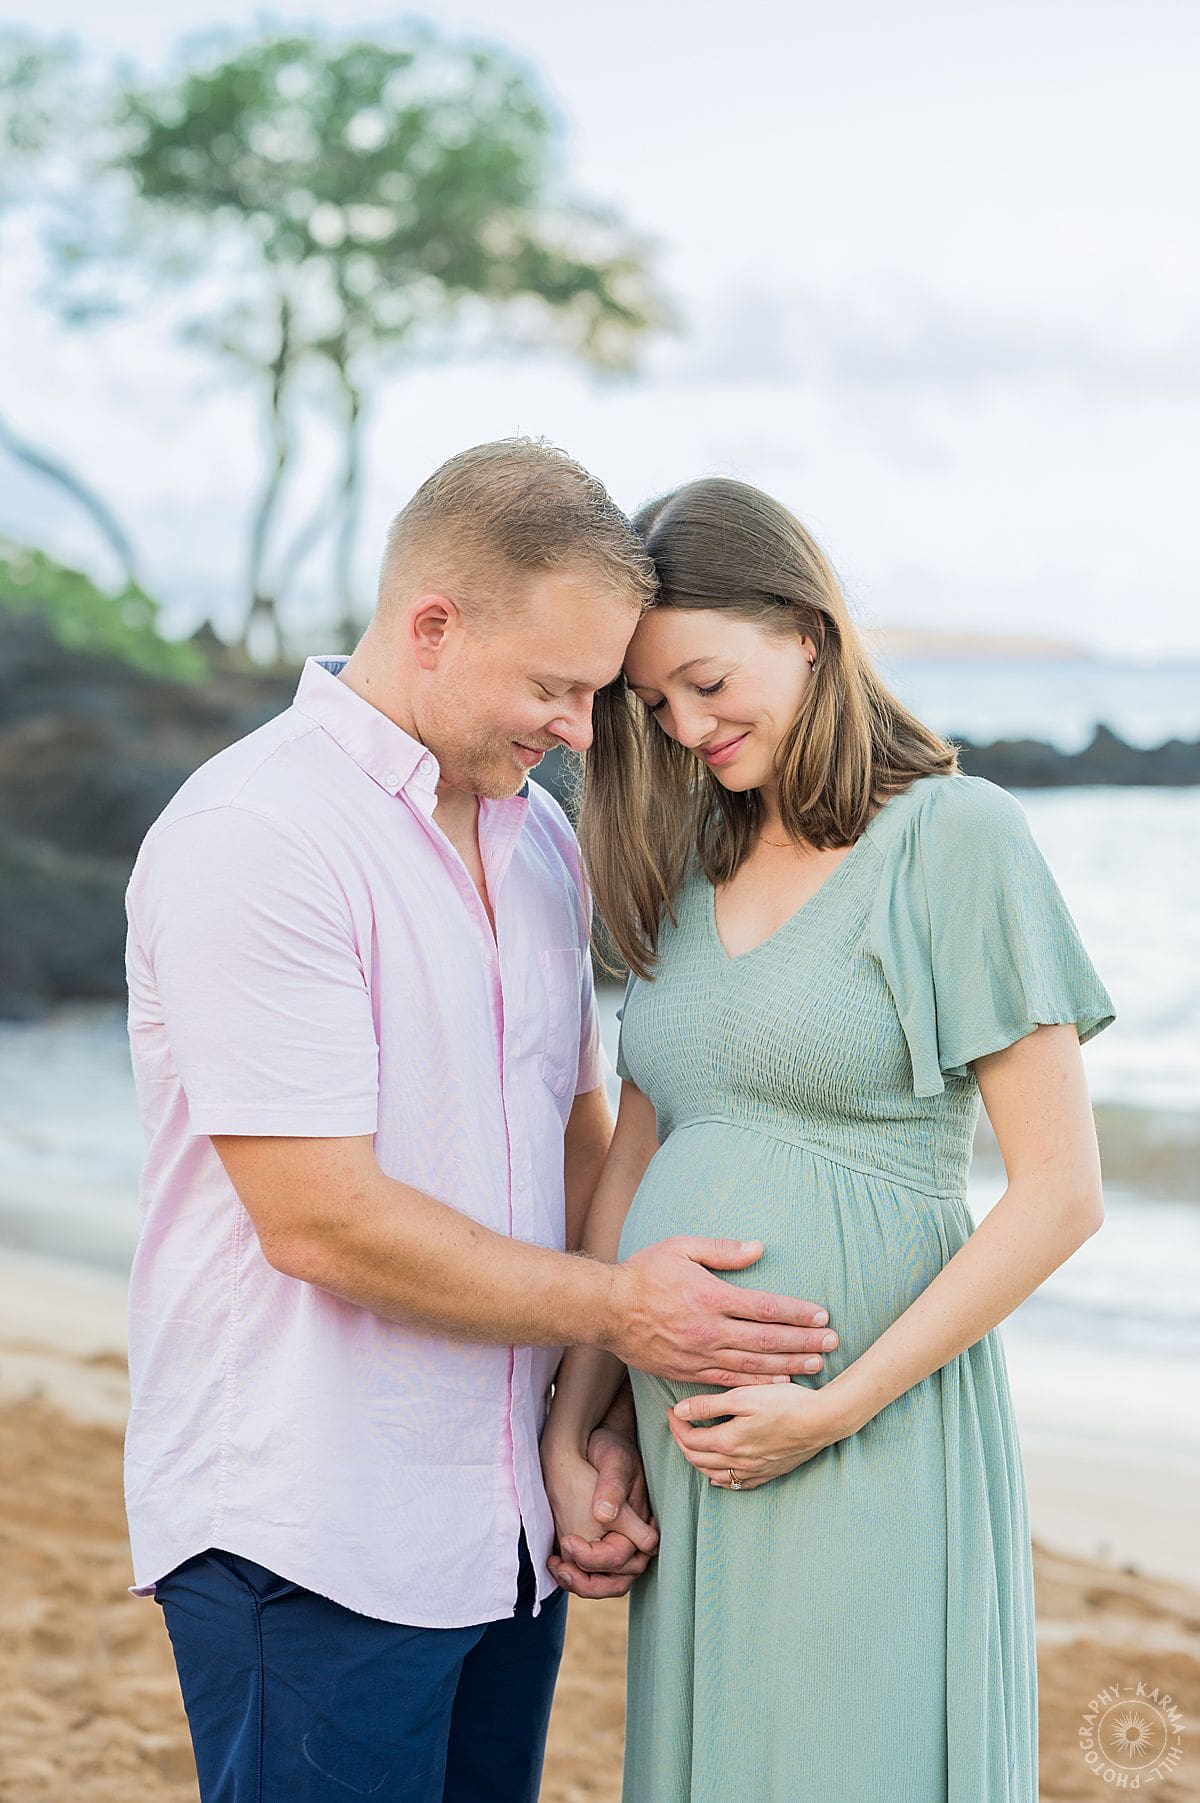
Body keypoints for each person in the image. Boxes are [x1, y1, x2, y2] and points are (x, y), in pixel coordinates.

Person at [122, 441, 841, 1803]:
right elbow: (321, 1221)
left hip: (500, 1526)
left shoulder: (539, 845)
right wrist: (626, 1311)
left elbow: (576, 1142)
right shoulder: (259, 835)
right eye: (556, 688)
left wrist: (581, 1435)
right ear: (433, 625)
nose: (582, 729)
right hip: (309, 1528)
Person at [541, 476, 1116, 1802]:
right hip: (703, 1458)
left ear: (805, 627)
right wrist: (584, 1415)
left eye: (704, 680)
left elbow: (1060, 1197)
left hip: (868, 1431)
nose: (685, 727)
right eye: (653, 707)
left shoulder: (956, 842)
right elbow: (640, 1153)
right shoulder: (689, 861)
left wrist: (831, 1410)